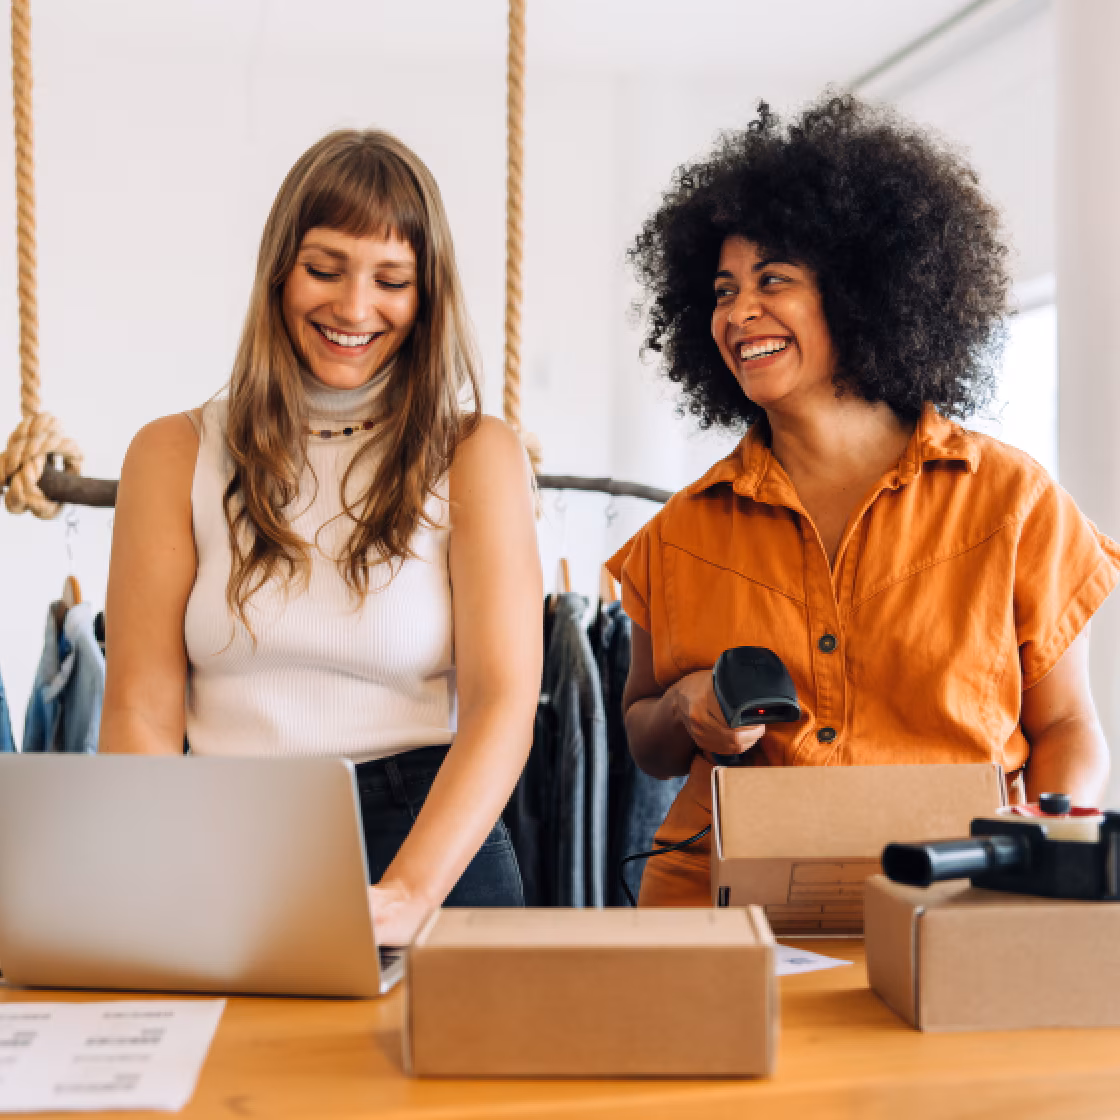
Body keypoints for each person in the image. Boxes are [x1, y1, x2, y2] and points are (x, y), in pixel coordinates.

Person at [608, 96, 1120, 907]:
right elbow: (648, 741)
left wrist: (1038, 856)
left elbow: (1064, 727)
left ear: (860, 292)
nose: (739, 312)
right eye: (722, 290)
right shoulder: (681, 532)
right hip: (728, 906)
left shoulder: (1013, 502)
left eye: (773, 280)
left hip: (952, 896)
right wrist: (683, 707)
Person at [101, 130, 543, 944]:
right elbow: (138, 708)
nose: (354, 307)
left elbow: (502, 702)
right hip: (219, 829)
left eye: (392, 280)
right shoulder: (172, 452)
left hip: (428, 837)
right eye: (325, 268)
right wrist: (158, 868)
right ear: (279, 271)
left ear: (427, 295)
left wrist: (409, 891)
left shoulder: (476, 453)